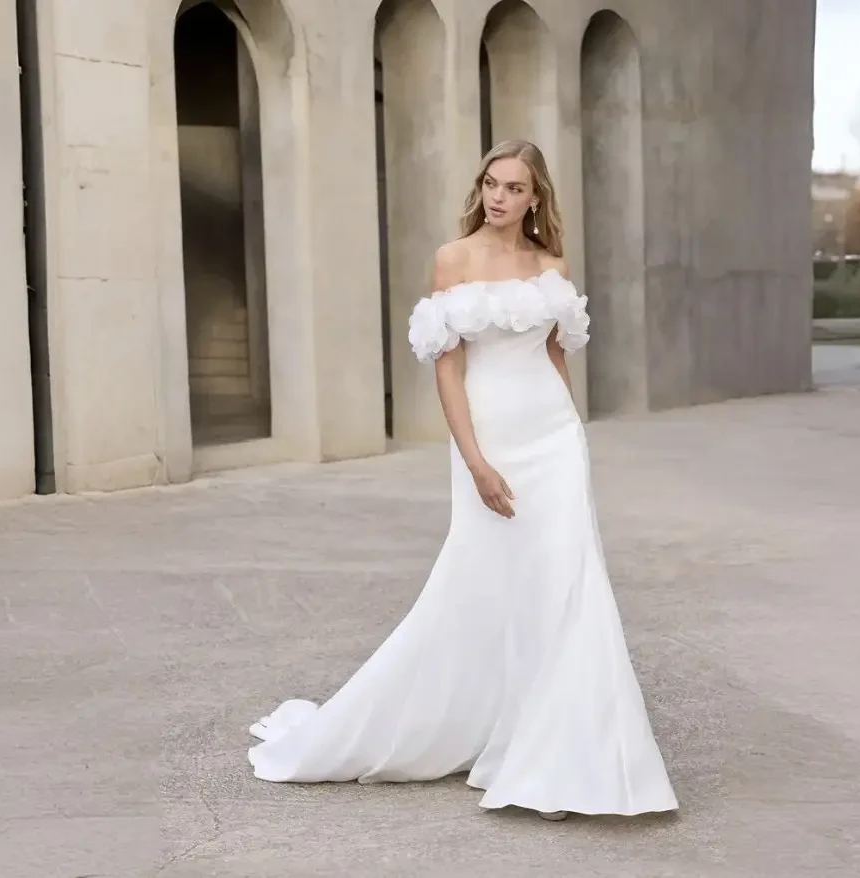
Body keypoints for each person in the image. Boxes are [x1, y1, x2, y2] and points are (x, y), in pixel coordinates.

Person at [246, 140, 678, 821]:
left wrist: (575, 433)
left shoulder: (550, 265)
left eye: (513, 187)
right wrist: (475, 461)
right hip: (492, 440)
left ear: (536, 198)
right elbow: (447, 368)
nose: (498, 196)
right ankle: (480, 725)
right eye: (491, 183)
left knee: (569, 585)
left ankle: (558, 757)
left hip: (554, 438)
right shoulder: (454, 260)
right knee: (486, 583)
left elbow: (555, 356)